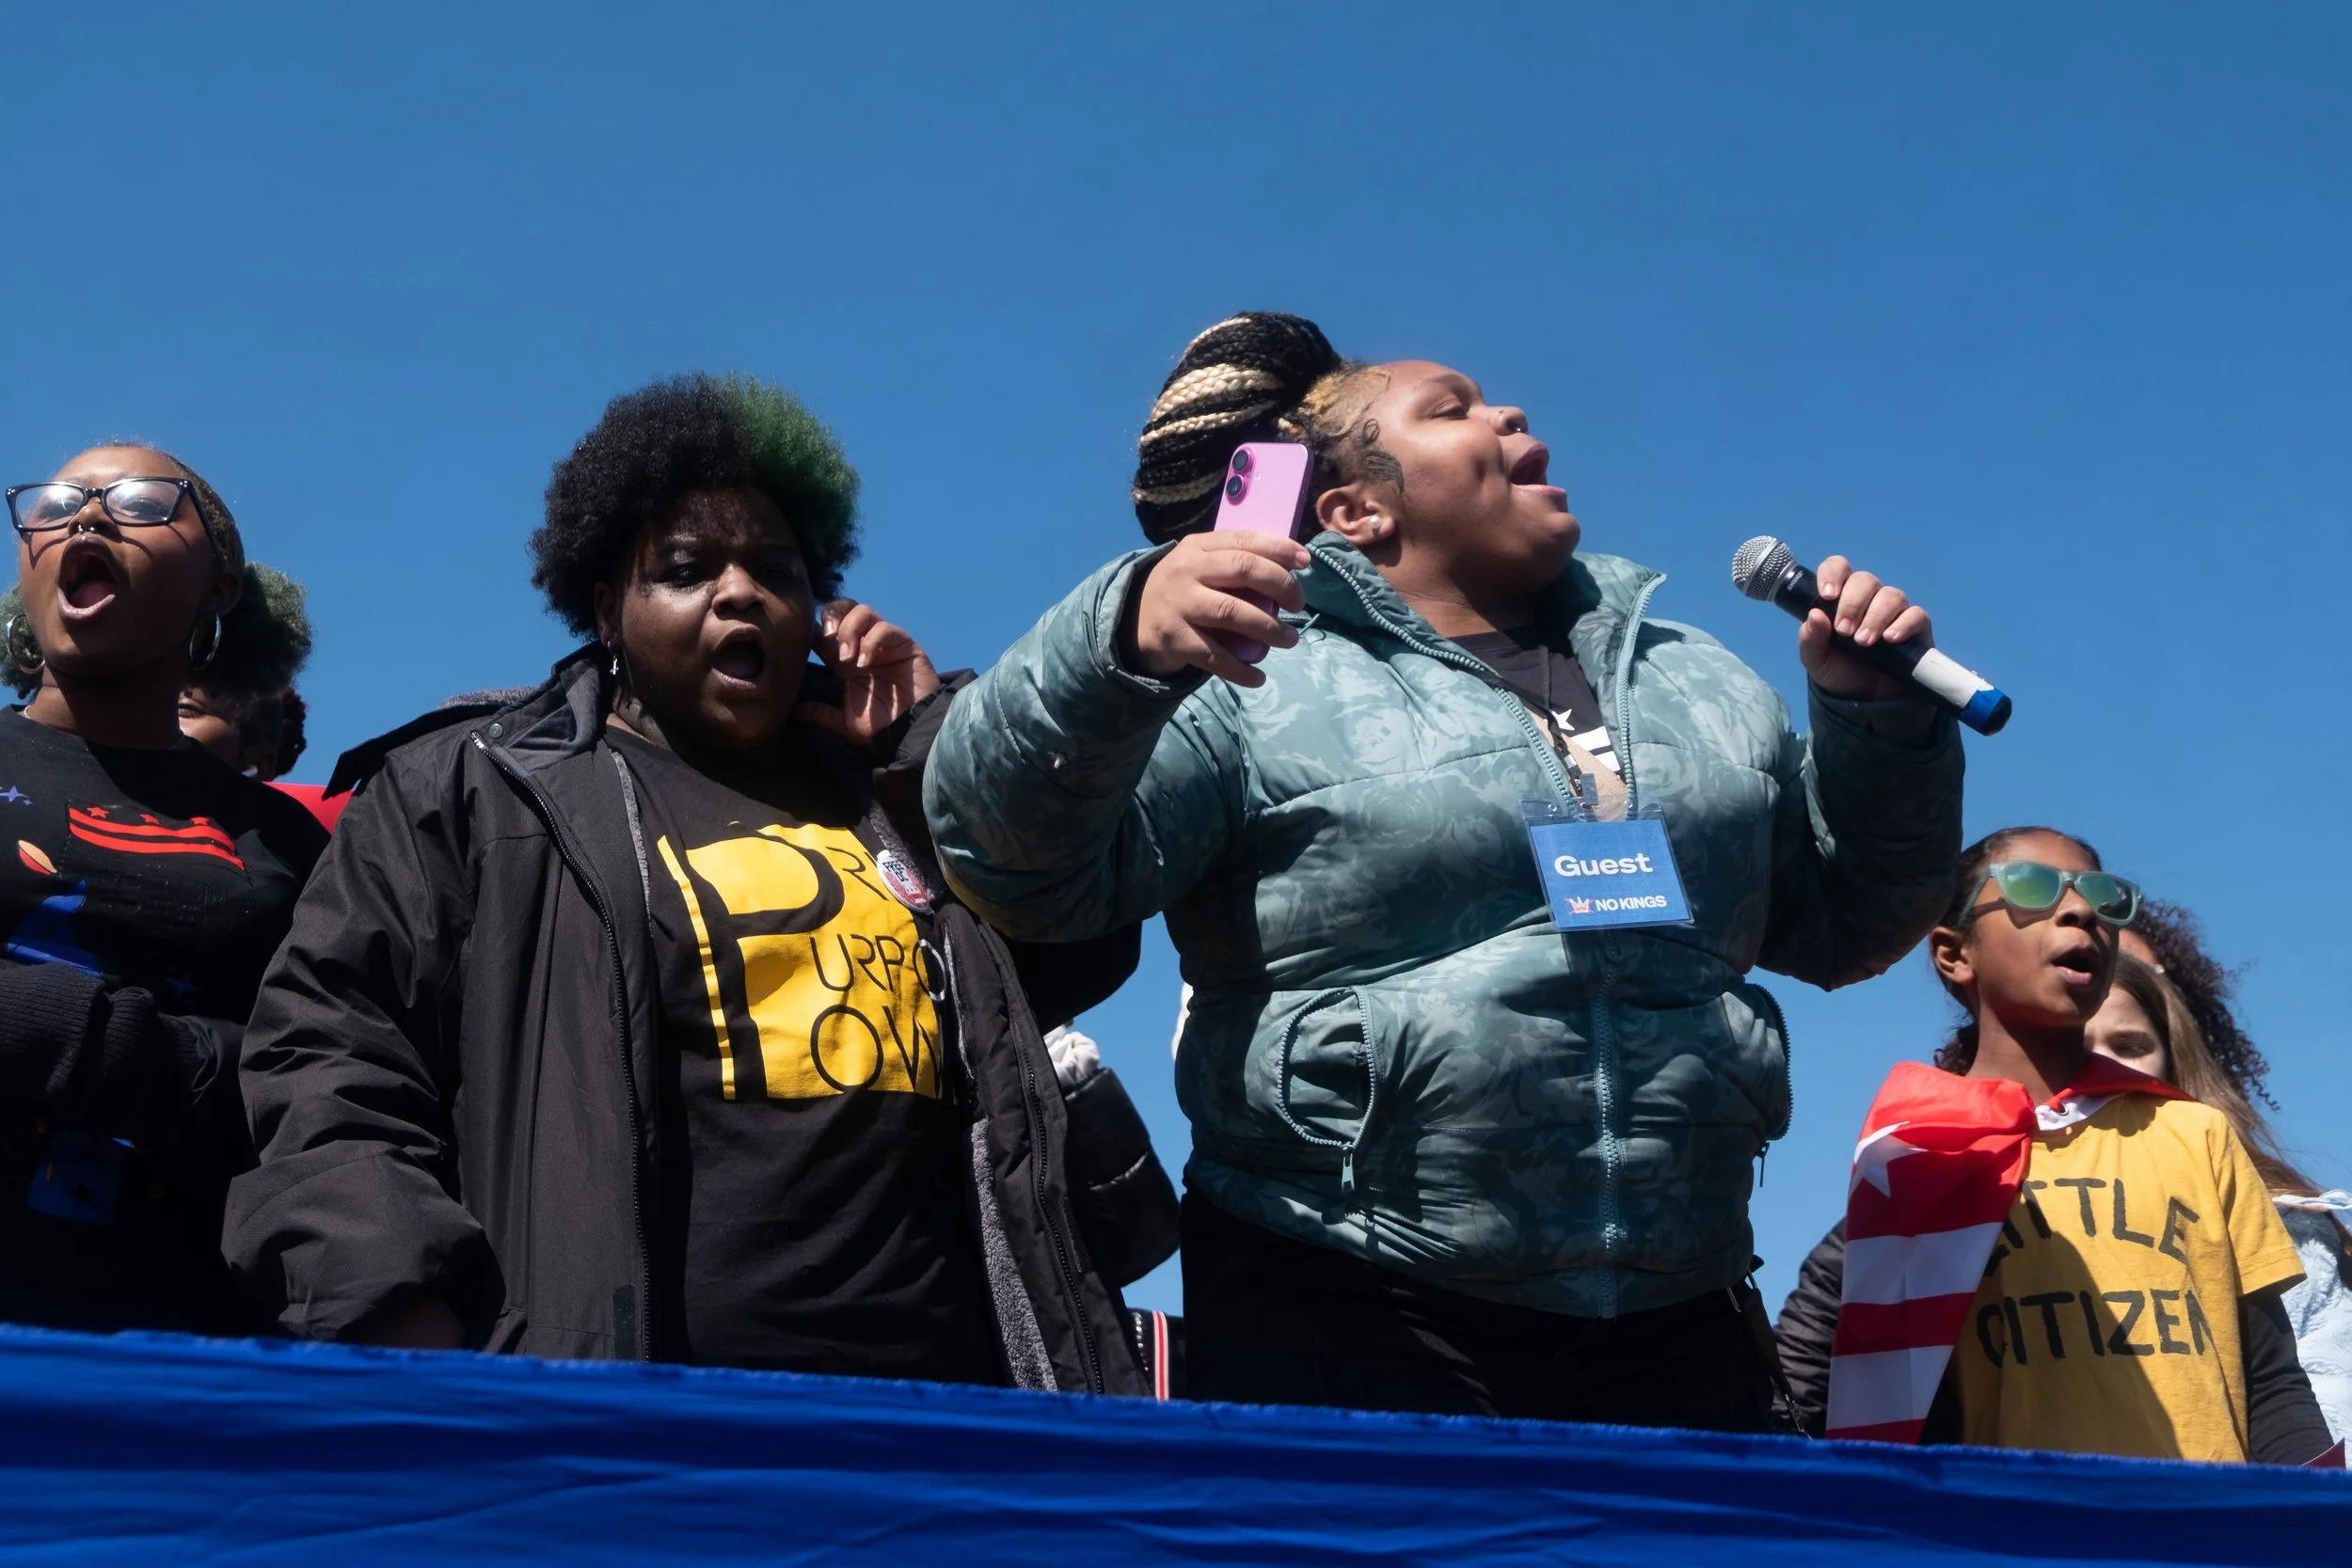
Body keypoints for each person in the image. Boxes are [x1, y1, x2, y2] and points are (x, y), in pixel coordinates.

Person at [922, 311, 1967, 1425]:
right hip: (1350, 1297)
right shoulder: (1253, 674)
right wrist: (1112, 640)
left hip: (1683, 1304)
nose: (1508, 409)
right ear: (1354, 510)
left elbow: (1848, 923)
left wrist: (1878, 727)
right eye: (1450, 406)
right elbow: (1019, 866)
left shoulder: (1695, 673)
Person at [226, 373, 1173, 1393]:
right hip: (621, 1420)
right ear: (606, 608)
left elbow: (1076, 949)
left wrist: (932, 755)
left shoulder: (886, 788)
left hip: (945, 1410)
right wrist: (401, 1313)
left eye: (777, 569)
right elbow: (329, 1049)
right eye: (684, 569)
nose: (739, 591)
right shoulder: (472, 789)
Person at [1785, 827, 2330, 1462]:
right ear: (1954, 954)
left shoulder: (2195, 1134)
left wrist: (2317, 1504)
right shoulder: (1916, 1159)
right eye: (2033, 887)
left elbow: (2271, 1379)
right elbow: (1819, 1382)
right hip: (2017, 1516)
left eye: (2102, 896)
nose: (2080, 910)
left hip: (2199, 1516)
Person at [0, 445, 326, 1334]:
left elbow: (325, 1073)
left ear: (219, 588)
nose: (86, 516)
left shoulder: (289, 843)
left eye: (142, 501)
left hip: (183, 1352)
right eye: (55, 502)